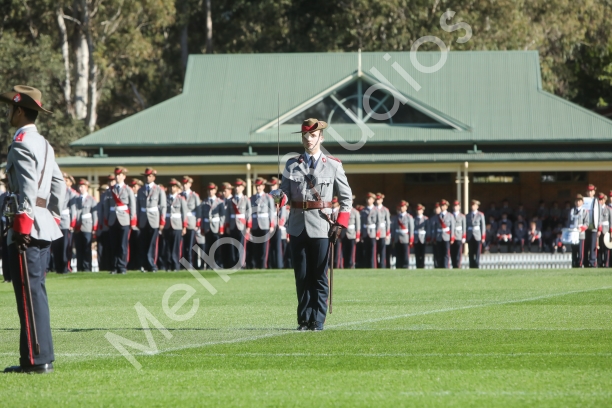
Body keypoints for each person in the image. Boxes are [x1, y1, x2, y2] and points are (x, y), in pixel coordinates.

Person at [1, 85, 63, 374]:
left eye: (10, 109)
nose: (8, 114)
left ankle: (35, 360)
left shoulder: (23, 142)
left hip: (27, 228)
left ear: (19, 110)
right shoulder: (45, 144)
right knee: (36, 292)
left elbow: (26, 187)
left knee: (27, 295)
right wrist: (52, 217)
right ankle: (40, 356)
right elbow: (58, 185)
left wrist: (23, 225)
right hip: (42, 224)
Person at [277, 118, 352, 331]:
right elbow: (285, 192)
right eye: (305, 136)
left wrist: (340, 223)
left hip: (321, 226)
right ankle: (304, 319)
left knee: (319, 275)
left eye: (313, 135)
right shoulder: (292, 164)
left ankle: (318, 320)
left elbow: (346, 198)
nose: (309, 139)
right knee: (301, 276)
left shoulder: (334, 165)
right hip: (297, 225)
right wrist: (279, 196)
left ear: (321, 137)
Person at [104, 167, 137, 274]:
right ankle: (114, 266)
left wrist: (132, 220)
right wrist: (106, 219)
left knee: (123, 245)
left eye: (119, 175)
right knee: (113, 244)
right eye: (116, 175)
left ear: (124, 176)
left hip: (124, 219)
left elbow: (132, 206)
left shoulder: (128, 189)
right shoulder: (110, 190)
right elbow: (106, 205)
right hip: (113, 219)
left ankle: (122, 266)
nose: (117, 177)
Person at [136, 168, 166, 273]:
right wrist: (137, 220)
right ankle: (144, 265)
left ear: (154, 177)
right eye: (146, 176)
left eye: (149, 176)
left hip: (154, 219)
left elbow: (163, 206)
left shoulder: (159, 189)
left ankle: (152, 264)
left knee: (153, 244)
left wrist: (162, 221)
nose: (147, 178)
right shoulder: (140, 190)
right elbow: (138, 207)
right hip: (143, 219)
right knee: (143, 243)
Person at [52, 172, 77, 273]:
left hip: (66, 221)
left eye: (65, 179)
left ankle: (65, 266)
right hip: (56, 221)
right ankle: (57, 266)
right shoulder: (54, 190)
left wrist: (72, 223)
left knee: (65, 246)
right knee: (56, 245)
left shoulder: (70, 193)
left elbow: (73, 209)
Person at [199, 182, 225, 269]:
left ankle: (217, 263)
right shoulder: (204, 202)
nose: (210, 191)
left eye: (212, 190)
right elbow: (202, 216)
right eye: (209, 190)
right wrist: (202, 228)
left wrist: (221, 227)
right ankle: (209, 265)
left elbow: (222, 216)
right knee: (208, 247)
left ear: (215, 190)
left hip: (216, 227)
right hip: (207, 227)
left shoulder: (219, 202)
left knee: (217, 247)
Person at [163, 179, 187, 271]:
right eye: (170, 186)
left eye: (173, 186)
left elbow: (184, 214)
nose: (171, 188)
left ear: (177, 188)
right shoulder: (165, 198)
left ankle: (176, 265)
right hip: (167, 225)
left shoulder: (181, 199)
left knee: (176, 247)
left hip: (177, 225)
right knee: (167, 247)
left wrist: (184, 227)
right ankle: (168, 265)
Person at [74, 179, 97, 272]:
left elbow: (94, 214)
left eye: (82, 186)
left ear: (87, 187)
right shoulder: (76, 199)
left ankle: (87, 266)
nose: (80, 188)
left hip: (87, 225)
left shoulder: (91, 199)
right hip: (78, 226)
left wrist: (94, 227)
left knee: (87, 247)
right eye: (79, 186)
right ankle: (79, 266)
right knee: (79, 247)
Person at [181, 176, 201, 269]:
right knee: (182, 245)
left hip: (191, 222)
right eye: (183, 183)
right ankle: (183, 263)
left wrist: (197, 223)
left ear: (190, 184)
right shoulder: (180, 195)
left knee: (190, 245)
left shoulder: (194, 196)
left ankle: (190, 263)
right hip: (181, 223)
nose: (184, 185)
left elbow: (198, 210)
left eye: (186, 183)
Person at [266, 177, 286, 269]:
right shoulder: (267, 196)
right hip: (269, 223)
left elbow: (283, 211)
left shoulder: (280, 195)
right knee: (269, 246)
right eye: (271, 185)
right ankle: (270, 264)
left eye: (273, 185)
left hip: (276, 223)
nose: (272, 187)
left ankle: (278, 264)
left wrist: (280, 223)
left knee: (277, 246)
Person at [431, 199, 455, 268]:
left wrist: (452, 237)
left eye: (443, 205)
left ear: (446, 207)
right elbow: (435, 228)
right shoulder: (437, 216)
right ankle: (440, 266)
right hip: (439, 237)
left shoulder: (450, 216)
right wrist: (434, 237)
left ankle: (445, 266)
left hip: (447, 236)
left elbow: (452, 227)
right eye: (441, 205)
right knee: (439, 253)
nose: (442, 207)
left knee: (446, 253)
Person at [583, 184, 601, 267]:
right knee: (585, 245)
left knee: (593, 245)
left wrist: (599, 228)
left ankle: (592, 261)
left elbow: (599, 215)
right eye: (588, 191)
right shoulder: (583, 200)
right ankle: (585, 262)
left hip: (594, 226)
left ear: (594, 192)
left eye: (591, 191)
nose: (589, 193)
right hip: (585, 226)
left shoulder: (596, 200)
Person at [127, 178, 143, 271]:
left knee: (139, 245)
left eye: (134, 186)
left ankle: (139, 264)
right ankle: (131, 264)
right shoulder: (129, 197)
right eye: (131, 186)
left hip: (139, 224)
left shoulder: (141, 197)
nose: (132, 188)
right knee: (131, 245)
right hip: (130, 224)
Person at [392, 200, 414, 269]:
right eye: (401, 207)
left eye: (403, 207)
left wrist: (411, 239)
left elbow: (411, 229)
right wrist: (393, 238)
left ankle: (405, 266)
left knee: (405, 254)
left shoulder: (409, 217)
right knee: (398, 254)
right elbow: (394, 228)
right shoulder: (396, 217)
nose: (401, 208)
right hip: (397, 238)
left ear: (406, 208)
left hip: (405, 238)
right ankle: (398, 266)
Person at [568, 194, 588, 268]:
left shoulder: (584, 211)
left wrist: (581, 228)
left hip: (580, 234)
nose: (578, 202)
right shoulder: (572, 211)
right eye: (576, 201)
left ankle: (580, 263)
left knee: (580, 250)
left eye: (579, 201)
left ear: (582, 202)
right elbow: (569, 221)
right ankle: (574, 263)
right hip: (573, 234)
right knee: (574, 250)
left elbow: (587, 223)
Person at [360, 192, 378, 268]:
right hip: (365, 232)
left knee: (373, 251)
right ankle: (366, 266)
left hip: (373, 232)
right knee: (365, 250)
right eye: (367, 199)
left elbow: (378, 222)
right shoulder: (363, 210)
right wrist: (361, 233)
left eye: (370, 199)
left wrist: (377, 233)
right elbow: (361, 223)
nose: (368, 200)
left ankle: (373, 266)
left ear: (373, 200)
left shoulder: (376, 210)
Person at [341, 198, 361, 269]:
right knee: (344, 250)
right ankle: (344, 265)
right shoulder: (343, 211)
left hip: (352, 234)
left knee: (352, 251)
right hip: (344, 233)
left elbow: (358, 225)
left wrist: (357, 236)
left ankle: (351, 264)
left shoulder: (355, 212)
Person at [466, 200, 485, 268]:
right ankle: (471, 265)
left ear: (477, 206)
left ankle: (476, 264)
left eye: (474, 205)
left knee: (477, 251)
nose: (472, 207)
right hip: (470, 235)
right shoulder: (468, 215)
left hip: (477, 235)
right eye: (472, 205)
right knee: (471, 251)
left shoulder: (480, 215)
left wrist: (483, 236)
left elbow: (483, 226)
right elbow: (466, 226)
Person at [95, 184, 110, 271]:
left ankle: (108, 266)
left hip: (107, 229)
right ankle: (101, 266)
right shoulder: (98, 204)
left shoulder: (109, 203)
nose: (102, 193)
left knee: (108, 249)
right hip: (100, 230)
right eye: (101, 192)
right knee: (100, 250)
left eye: (104, 191)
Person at [374, 193, 391, 268]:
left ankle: (382, 265)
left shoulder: (385, 210)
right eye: (376, 199)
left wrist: (387, 233)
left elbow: (388, 222)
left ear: (381, 200)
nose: (377, 201)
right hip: (374, 232)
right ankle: (376, 265)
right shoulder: (374, 209)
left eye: (379, 199)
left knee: (382, 251)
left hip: (383, 232)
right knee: (375, 250)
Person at [451, 200, 466, 269]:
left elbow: (464, 227)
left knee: (458, 252)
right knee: (452, 251)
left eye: (457, 206)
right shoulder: (450, 215)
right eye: (454, 206)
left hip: (459, 236)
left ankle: (458, 264)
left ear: (459, 207)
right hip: (452, 236)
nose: (455, 207)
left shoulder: (462, 216)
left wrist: (464, 236)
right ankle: (453, 264)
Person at [597, 193, 610, 267]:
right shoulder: (596, 209)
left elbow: (610, 221)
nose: (600, 201)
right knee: (599, 247)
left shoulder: (608, 209)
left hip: (606, 230)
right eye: (599, 199)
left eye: (602, 199)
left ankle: (606, 262)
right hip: (599, 230)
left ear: (605, 200)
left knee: (606, 247)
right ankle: (599, 262)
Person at [413, 204, 428, 268]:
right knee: (417, 253)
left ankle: (422, 265)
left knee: (422, 253)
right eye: (417, 210)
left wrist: (428, 237)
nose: (418, 211)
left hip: (423, 238)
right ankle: (417, 265)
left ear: (422, 211)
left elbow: (427, 228)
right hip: (416, 238)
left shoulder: (425, 219)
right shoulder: (414, 219)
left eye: (420, 210)